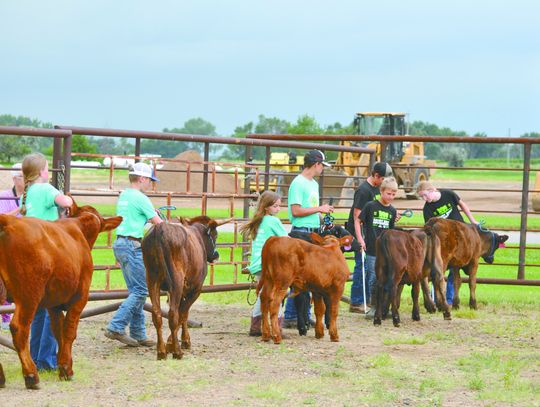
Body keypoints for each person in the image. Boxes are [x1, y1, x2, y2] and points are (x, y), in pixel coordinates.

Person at [20, 153, 74, 371]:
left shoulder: (29, 192)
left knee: (39, 308)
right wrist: (64, 195)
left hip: (30, 254)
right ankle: (47, 359)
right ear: (43, 171)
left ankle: (35, 356)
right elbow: (66, 202)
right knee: (54, 306)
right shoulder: (45, 189)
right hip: (49, 252)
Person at [105, 162, 162, 347]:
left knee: (136, 290)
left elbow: (133, 216)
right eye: (149, 181)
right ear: (142, 179)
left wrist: (148, 214)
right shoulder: (141, 198)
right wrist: (155, 216)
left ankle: (139, 334)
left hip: (121, 244)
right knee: (141, 291)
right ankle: (116, 326)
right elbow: (159, 224)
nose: (150, 184)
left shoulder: (124, 196)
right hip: (132, 245)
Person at [283, 150, 334, 329]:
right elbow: (296, 211)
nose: (322, 169)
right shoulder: (298, 184)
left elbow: (310, 210)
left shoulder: (312, 184)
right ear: (316, 164)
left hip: (311, 232)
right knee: (299, 276)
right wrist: (320, 208)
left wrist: (324, 218)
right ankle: (293, 314)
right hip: (301, 233)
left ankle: (299, 314)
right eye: (322, 166)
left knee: (306, 276)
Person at [416, 180, 479, 305]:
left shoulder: (448, 194)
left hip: (461, 235)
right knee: (441, 267)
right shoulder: (427, 209)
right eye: (421, 196)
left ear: (432, 190)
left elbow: (462, 204)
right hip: (444, 240)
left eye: (425, 195)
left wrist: (472, 220)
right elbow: (429, 227)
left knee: (456, 268)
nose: (424, 198)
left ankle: (450, 298)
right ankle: (440, 298)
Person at [346, 162, 393, 314]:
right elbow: (356, 216)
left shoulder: (376, 189)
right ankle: (357, 301)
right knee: (361, 266)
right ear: (376, 176)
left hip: (370, 232)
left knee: (370, 268)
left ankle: (366, 299)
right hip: (361, 233)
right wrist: (360, 238)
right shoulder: (363, 190)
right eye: (384, 179)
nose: (385, 182)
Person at [240, 191, 288, 336]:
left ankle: (255, 327)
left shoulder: (258, 220)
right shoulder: (273, 221)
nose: (278, 209)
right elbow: (286, 240)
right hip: (268, 265)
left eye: (279, 206)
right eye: (275, 206)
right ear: (266, 207)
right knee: (277, 293)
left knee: (264, 294)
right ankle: (276, 327)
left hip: (256, 264)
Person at [360, 177, 399, 319]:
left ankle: (384, 307)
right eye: (389, 193)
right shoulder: (370, 206)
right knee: (373, 277)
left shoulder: (392, 211)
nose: (391, 197)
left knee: (388, 278)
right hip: (371, 249)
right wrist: (360, 239)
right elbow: (358, 220)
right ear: (381, 191)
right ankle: (373, 306)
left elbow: (391, 231)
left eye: (394, 194)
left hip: (386, 251)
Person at [0, 163, 24, 329]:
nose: (26, 179)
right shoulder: (4, 196)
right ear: (14, 178)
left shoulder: (33, 196)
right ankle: (5, 316)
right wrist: (19, 211)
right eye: (22, 176)